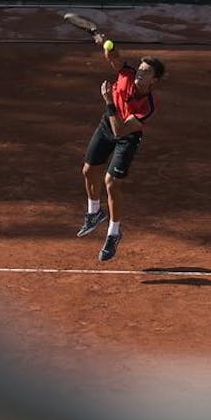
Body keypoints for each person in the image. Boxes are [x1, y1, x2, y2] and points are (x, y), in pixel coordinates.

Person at [77, 33, 165, 262]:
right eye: (140, 68)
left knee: (111, 183)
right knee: (88, 171)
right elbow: (114, 57)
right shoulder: (126, 73)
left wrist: (108, 102)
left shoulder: (147, 107)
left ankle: (114, 233)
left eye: (146, 72)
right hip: (107, 123)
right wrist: (107, 43)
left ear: (153, 81)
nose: (140, 72)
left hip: (127, 136)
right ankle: (94, 213)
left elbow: (120, 132)